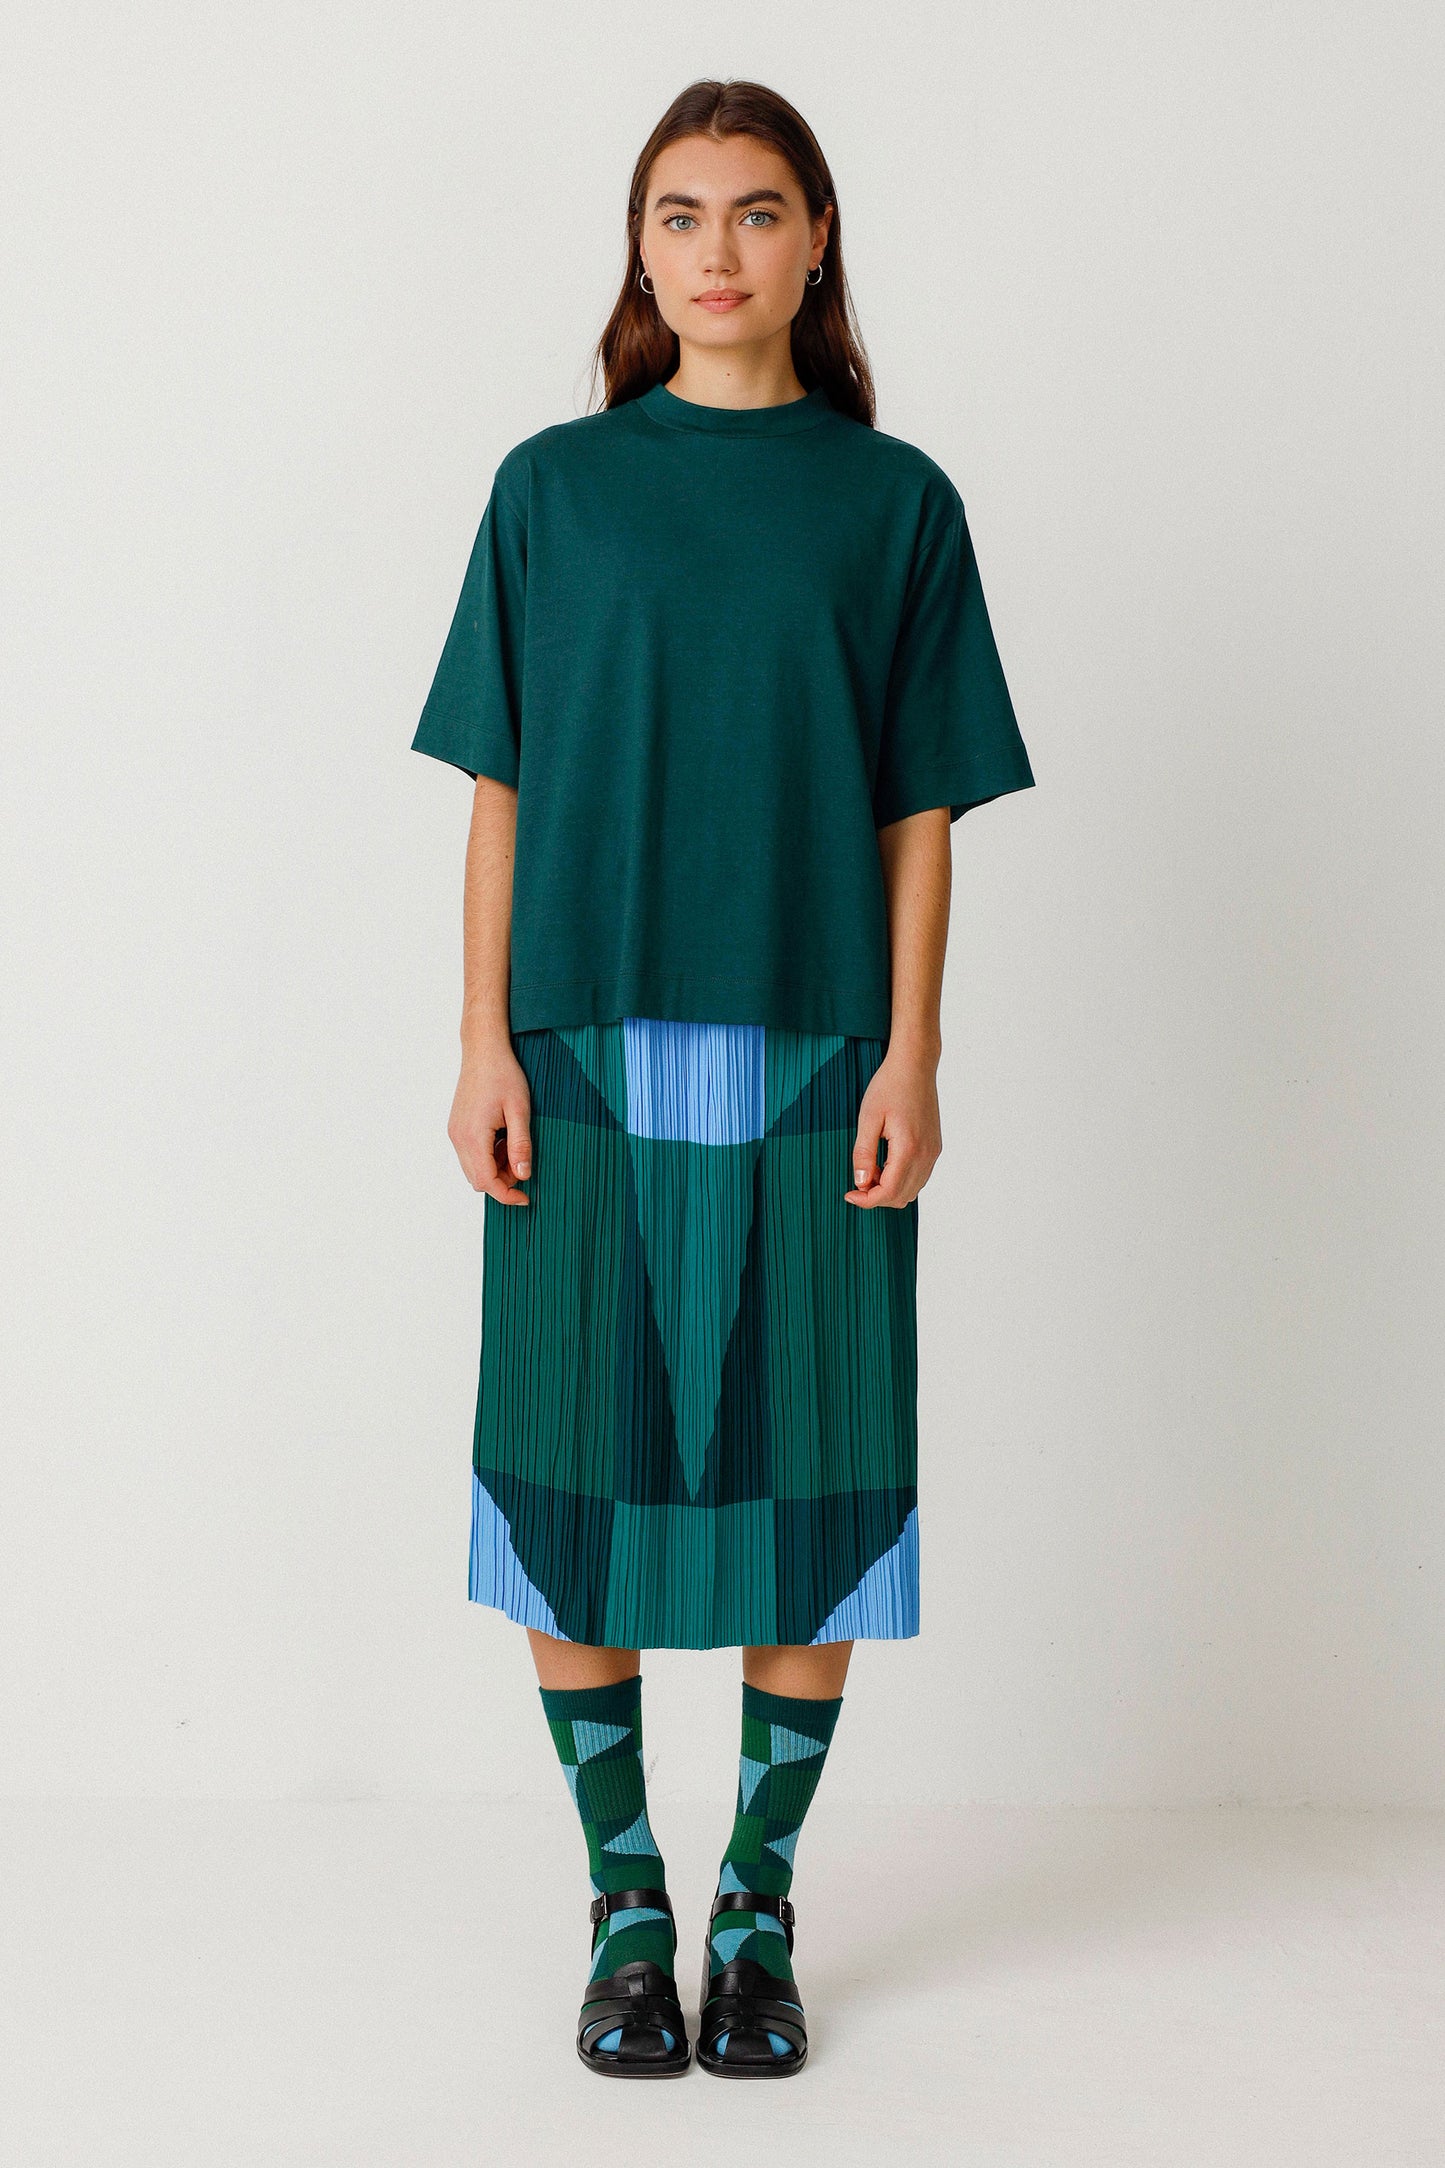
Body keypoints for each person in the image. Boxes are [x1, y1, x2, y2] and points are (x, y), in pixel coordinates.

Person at [411, 77, 1035, 2081]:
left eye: (756, 211)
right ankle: (626, 1903)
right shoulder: (552, 490)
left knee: (819, 1485)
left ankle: (755, 1907)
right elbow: (501, 786)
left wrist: (914, 1049)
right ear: (639, 245)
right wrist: (482, 1037)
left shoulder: (894, 504)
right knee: (568, 1480)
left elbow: (921, 809)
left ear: (815, 239)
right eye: (678, 214)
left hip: (819, 1048)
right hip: (580, 1044)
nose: (716, 249)